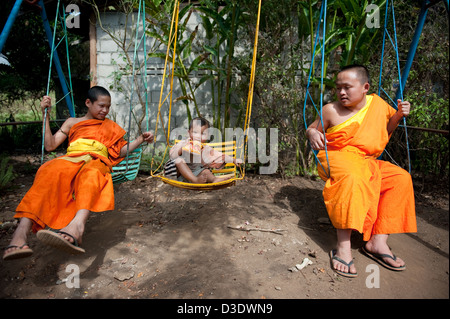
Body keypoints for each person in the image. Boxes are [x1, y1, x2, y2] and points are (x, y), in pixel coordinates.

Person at [3, 86, 154, 260]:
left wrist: (140, 139)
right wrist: (46, 116)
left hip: (97, 161)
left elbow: (120, 151)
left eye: (108, 107)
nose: (105, 110)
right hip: (71, 159)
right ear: (88, 103)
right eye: (101, 106)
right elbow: (51, 145)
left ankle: (77, 226)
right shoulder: (72, 122)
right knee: (48, 170)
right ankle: (20, 235)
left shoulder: (110, 126)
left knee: (91, 174)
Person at [306, 65, 417, 277]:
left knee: (401, 179)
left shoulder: (377, 104)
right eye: (338, 88)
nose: (341, 93)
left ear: (365, 87)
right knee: (352, 177)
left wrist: (399, 115)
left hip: (366, 160)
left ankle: (378, 241)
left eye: (347, 87)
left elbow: (385, 130)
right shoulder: (331, 109)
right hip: (337, 156)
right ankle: (344, 247)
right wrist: (312, 133)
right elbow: (312, 127)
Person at [168, 117, 242, 184]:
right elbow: (172, 156)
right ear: (189, 133)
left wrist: (233, 160)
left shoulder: (205, 148)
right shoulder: (184, 143)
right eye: (195, 132)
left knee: (206, 171)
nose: (198, 137)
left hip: (196, 173)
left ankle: (214, 179)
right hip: (179, 174)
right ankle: (195, 180)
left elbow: (219, 156)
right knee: (179, 160)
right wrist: (181, 149)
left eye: (203, 133)